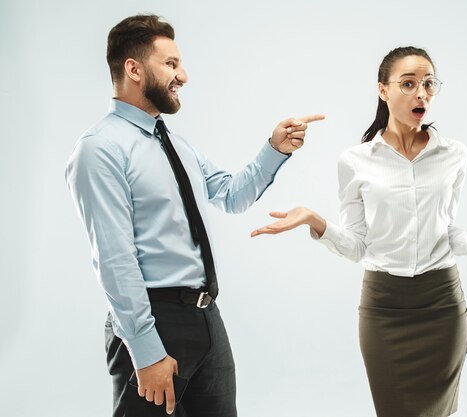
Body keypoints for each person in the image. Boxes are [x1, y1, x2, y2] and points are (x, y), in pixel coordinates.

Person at [65, 14, 323, 417]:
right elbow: (114, 259)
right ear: (133, 69)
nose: (182, 75)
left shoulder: (177, 145)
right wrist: (147, 351)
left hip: (207, 320)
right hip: (154, 321)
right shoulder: (100, 149)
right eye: (170, 64)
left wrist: (276, 148)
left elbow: (231, 195)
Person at [251, 46, 467, 417]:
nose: (422, 93)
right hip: (384, 308)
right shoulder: (355, 161)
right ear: (383, 90)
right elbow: (356, 246)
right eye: (409, 83)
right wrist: (313, 220)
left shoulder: (454, 154)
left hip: (441, 304)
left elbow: (444, 232)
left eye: (429, 84)